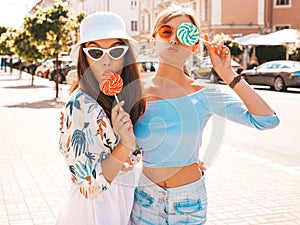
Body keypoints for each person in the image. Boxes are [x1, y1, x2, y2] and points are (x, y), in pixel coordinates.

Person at [130, 6, 280, 225]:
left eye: (183, 33)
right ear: (154, 39)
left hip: (188, 202)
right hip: (145, 199)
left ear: (194, 45)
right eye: (166, 32)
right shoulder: (136, 93)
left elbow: (267, 120)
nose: (173, 40)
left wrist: (228, 74)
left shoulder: (205, 94)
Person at [56, 12, 145, 225]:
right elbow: (89, 187)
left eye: (116, 51)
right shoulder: (79, 105)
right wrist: (124, 144)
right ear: (84, 57)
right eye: (96, 52)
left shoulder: (127, 98)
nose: (107, 61)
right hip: (94, 213)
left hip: (124, 202)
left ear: (126, 55)